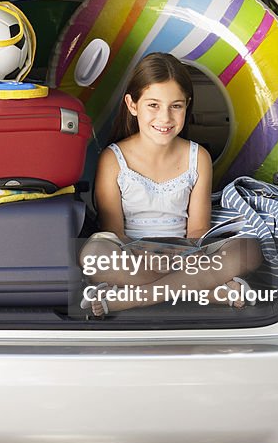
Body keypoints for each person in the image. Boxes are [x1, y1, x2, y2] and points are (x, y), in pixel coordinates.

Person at [79, 52, 262, 318]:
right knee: (93, 255)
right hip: (133, 254)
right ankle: (207, 291)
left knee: (248, 249)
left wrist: (181, 256)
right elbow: (113, 231)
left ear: (186, 105)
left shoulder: (197, 157)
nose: (164, 118)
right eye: (153, 105)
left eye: (175, 106)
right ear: (132, 105)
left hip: (186, 254)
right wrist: (148, 256)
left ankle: (138, 298)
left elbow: (198, 229)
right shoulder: (113, 158)